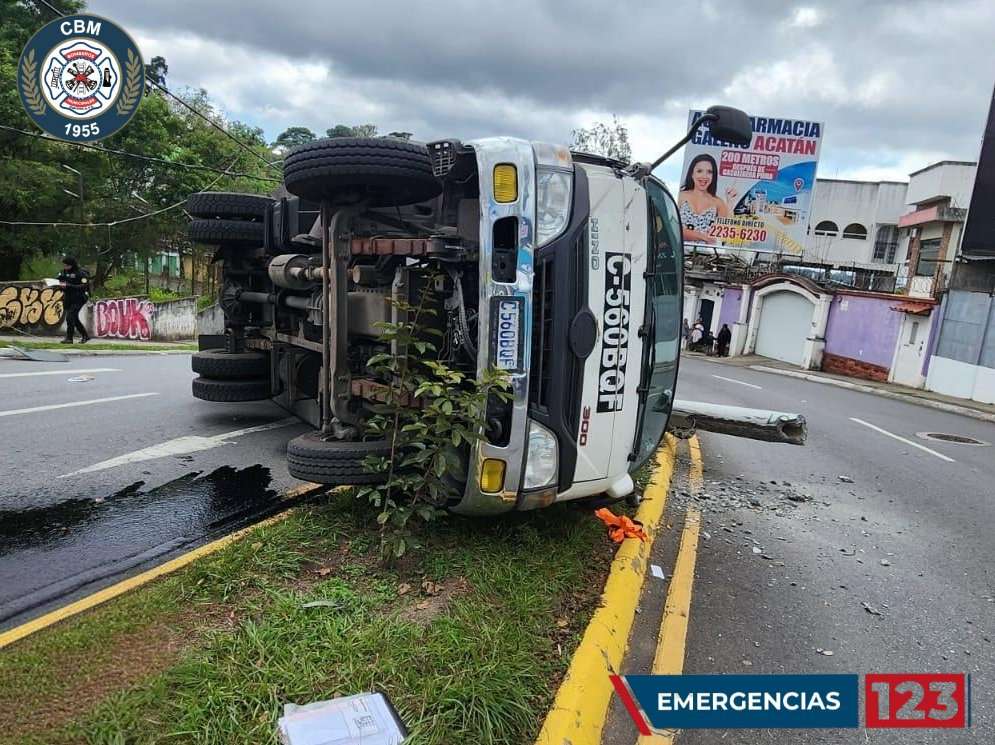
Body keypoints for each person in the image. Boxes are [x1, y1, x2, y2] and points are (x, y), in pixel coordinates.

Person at [678, 153, 739, 244]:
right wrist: (703, 237)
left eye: (709, 172)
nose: (704, 176)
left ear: (713, 176)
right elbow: (674, 229)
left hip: (708, 256)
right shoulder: (681, 196)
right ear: (692, 174)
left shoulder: (718, 202)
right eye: (699, 171)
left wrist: (730, 202)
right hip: (680, 254)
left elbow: (726, 232)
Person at [58, 255, 91, 344]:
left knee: (70, 317)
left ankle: (69, 338)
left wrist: (69, 286)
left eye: (67, 265)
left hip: (79, 298)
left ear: (72, 264)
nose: (65, 267)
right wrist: (58, 285)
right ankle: (85, 336)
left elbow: (84, 286)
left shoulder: (81, 273)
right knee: (74, 318)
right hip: (68, 298)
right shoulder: (63, 272)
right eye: (64, 265)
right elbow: (60, 281)